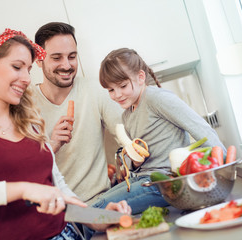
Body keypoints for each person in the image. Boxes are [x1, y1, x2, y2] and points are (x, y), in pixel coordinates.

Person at [0, 29, 131, 240]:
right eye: (17, 67)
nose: (26, 78)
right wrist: (23, 189)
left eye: (29, 69)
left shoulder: (31, 125)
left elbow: (60, 196)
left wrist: (101, 218)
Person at [97, 47, 227, 209]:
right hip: (141, 179)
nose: (117, 95)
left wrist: (224, 171)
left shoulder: (156, 98)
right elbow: (135, 161)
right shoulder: (127, 115)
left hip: (166, 183)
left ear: (140, 77)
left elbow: (200, 128)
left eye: (122, 86)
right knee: (98, 203)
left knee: (101, 207)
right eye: (111, 90)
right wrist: (135, 163)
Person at [33, 22, 124, 205]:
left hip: (101, 201)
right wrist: (52, 145)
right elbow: (26, 171)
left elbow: (128, 135)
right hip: (59, 210)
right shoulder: (24, 106)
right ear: (38, 59)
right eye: (57, 58)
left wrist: (128, 164)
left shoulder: (95, 90)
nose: (66, 65)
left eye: (72, 56)